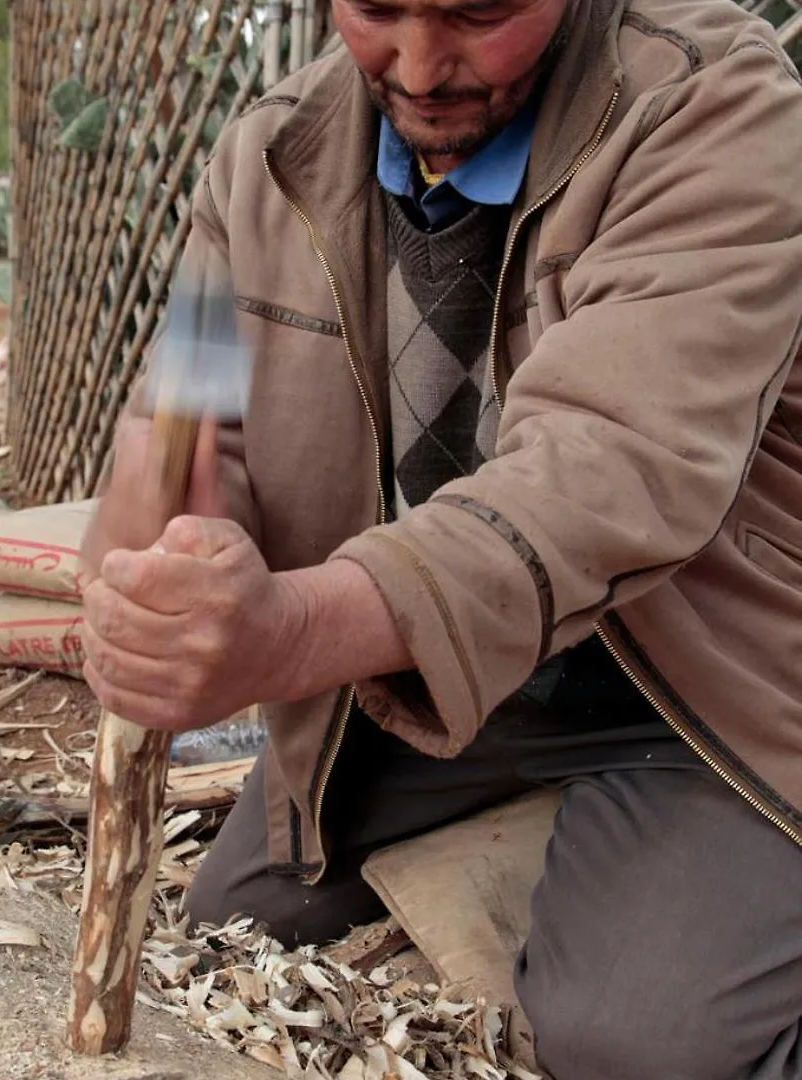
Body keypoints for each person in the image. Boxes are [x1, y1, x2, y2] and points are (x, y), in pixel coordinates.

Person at [79, 1, 802, 1076]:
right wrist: (156, 548)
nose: (419, 68)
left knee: (643, 1043)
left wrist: (282, 634)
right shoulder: (263, 164)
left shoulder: (712, 108)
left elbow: (610, 471)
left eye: (477, 11)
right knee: (227, 943)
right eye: (376, 9)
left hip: (700, 687)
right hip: (420, 688)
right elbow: (189, 423)